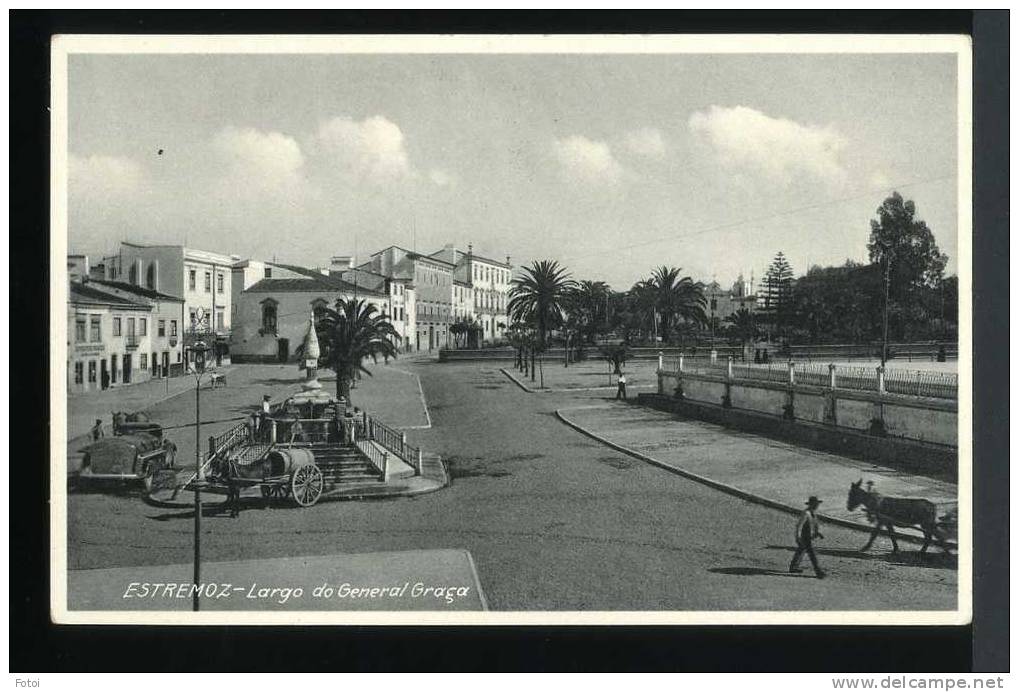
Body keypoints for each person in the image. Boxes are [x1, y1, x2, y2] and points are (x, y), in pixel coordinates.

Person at [790, 496, 826, 579]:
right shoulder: (806, 513)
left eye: (817, 504)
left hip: (809, 536)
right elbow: (799, 525)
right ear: (811, 504)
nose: (817, 506)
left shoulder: (813, 513)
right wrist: (798, 536)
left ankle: (793, 567)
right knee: (812, 553)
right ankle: (818, 572)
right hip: (805, 537)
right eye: (816, 504)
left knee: (801, 550)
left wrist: (818, 533)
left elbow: (814, 525)